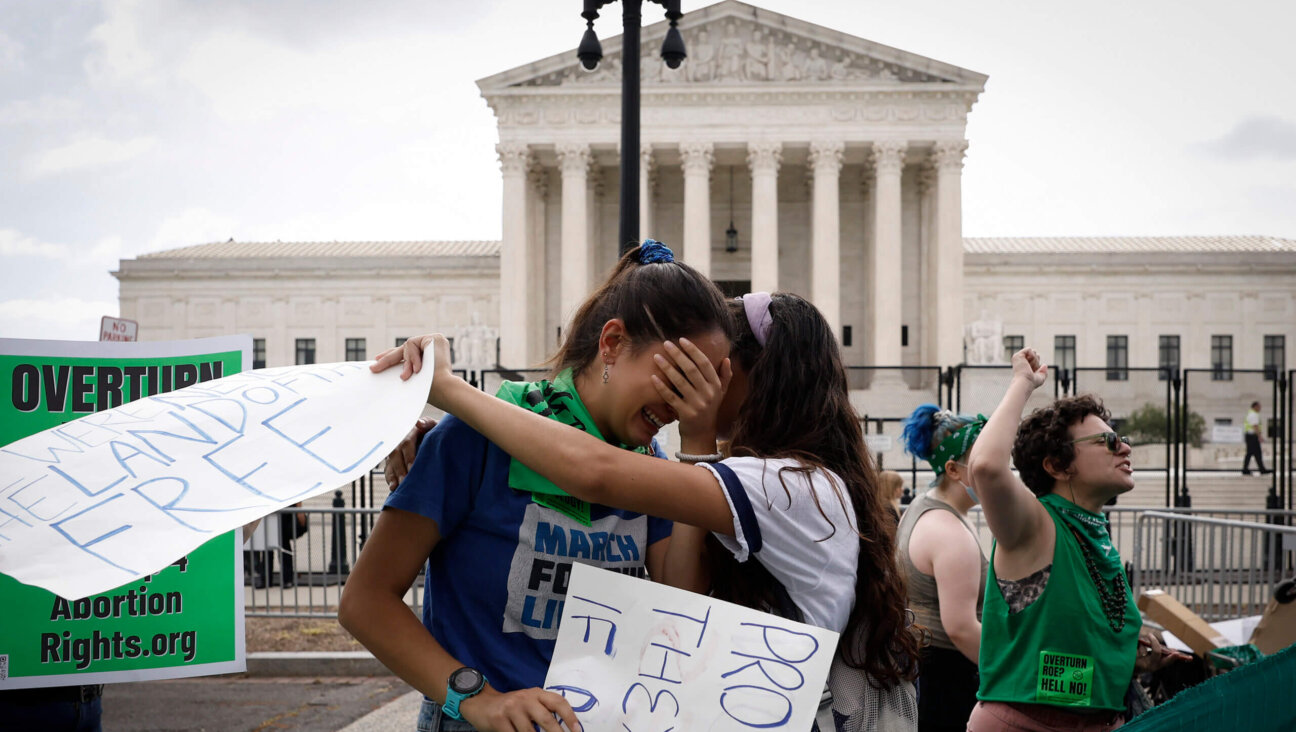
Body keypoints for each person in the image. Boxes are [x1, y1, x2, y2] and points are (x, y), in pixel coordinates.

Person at [380, 291, 922, 730]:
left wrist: (453, 394)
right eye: (688, 368)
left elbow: (596, 473)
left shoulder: (785, 483)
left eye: (712, 370)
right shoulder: (738, 477)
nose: (693, 389)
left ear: (757, 378)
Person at [338, 240, 735, 732]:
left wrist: (699, 439)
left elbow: (682, 597)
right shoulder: (472, 439)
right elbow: (365, 600)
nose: (686, 404)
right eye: (679, 378)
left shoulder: (648, 461)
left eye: (704, 389)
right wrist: (478, 698)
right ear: (611, 344)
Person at [965, 347, 1187, 731]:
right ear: (1057, 466)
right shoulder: (1037, 524)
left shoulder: (1090, 528)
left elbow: (1070, 639)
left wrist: (1129, 659)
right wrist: (1023, 384)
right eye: (1110, 441)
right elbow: (985, 466)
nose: (1127, 448)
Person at [896, 405, 989, 732]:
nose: (996, 468)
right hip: (947, 682)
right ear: (953, 469)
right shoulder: (948, 531)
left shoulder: (925, 506)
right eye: (985, 460)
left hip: (926, 672)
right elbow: (961, 628)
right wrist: (1017, 674)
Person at [1242, 401, 1269, 475]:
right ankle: (1246, 469)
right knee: (1252, 453)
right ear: (1255, 406)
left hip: (1250, 436)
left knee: (1256, 453)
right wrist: (1259, 436)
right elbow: (1255, 426)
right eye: (1259, 407)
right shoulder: (1253, 414)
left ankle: (1261, 469)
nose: (1260, 408)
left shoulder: (1251, 413)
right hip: (1252, 436)